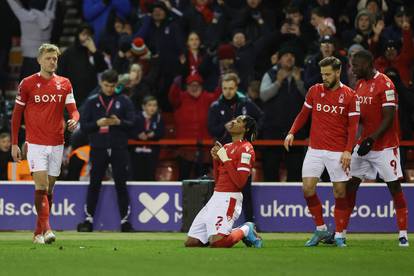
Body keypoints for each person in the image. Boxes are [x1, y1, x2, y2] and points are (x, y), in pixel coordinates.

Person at [284, 57, 360, 247]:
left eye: (328, 74)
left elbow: (353, 128)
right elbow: (303, 114)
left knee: (340, 192)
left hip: (338, 152)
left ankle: (340, 234)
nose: (324, 77)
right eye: (322, 74)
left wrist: (348, 151)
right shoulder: (314, 91)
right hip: (315, 150)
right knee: (308, 189)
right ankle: (320, 229)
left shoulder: (350, 95)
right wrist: (292, 132)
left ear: (337, 72)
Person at [11, 43, 80, 244]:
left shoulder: (65, 83)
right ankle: (48, 229)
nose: (52, 62)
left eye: (55, 58)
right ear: (40, 60)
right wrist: (15, 143)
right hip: (35, 143)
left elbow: (73, 109)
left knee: (49, 190)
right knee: (40, 186)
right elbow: (17, 116)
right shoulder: (27, 83)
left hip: (57, 142)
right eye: (49, 58)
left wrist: (74, 119)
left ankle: (37, 232)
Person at [344, 49, 408, 247]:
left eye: (355, 65)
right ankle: (340, 233)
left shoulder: (386, 83)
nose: (352, 69)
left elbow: (389, 117)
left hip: (385, 146)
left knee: (394, 186)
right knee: (350, 185)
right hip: (364, 144)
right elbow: (361, 116)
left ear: (367, 64)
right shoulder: (360, 84)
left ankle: (403, 234)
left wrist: (371, 139)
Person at [185, 115, 262, 248]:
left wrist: (225, 159)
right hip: (216, 196)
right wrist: (216, 159)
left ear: (246, 129)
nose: (233, 122)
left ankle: (246, 230)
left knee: (218, 243)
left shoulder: (246, 149)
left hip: (230, 198)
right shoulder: (226, 147)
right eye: (234, 119)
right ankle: (220, 234)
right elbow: (218, 177)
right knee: (192, 243)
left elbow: (240, 182)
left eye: (238, 121)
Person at [77, 69, 135, 232]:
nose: (109, 88)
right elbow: (84, 128)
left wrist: (119, 122)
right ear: (101, 83)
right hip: (98, 148)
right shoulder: (92, 101)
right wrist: (98, 124)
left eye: (112, 85)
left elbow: (132, 124)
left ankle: (125, 222)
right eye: (106, 85)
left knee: (120, 185)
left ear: (117, 85)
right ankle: (88, 221)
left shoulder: (124, 101)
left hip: (118, 148)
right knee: (94, 184)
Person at [208, 73, 263, 223]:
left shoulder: (245, 103)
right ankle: (219, 221)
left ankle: (250, 223)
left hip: (241, 153)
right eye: (225, 88)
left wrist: (252, 137)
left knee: (245, 189)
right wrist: (226, 128)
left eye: (231, 88)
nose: (228, 91)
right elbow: (211, 129)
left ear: (236, 88)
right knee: (220, 188)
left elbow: (260, 117)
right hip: (223, 152)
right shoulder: (215, 106)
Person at [129, 95, 164, 181]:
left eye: (155, 105)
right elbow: (129, 131)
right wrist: (138, 136)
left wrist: (154, 134)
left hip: (151, 153)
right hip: (136, 153)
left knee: (149, 177)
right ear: (143, 106)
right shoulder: (135, 117)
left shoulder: (158, 118)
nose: (152, 108)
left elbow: (161, 132)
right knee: (136, 176)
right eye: (150, 105)